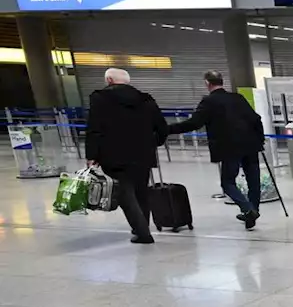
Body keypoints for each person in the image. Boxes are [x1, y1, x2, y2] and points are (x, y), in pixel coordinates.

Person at [167, 70, 265, 229]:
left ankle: (248, 210)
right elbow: (256, 119)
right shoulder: (237, 97)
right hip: (250, 144)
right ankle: (252, 212)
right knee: (253, 180)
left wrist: (167, 130)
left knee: (227, 182)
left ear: (207, 83)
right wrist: (260, 140)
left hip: (229, 147)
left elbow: (193, 124)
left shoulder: (209, 102)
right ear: (222, 81)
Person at [85, 68, 167, 243]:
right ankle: (142, 227)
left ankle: (142, 232)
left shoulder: (100, 98)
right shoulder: (146, 99)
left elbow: (94, 129)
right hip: (143, 153)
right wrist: (153, 143)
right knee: (141, 192)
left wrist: (92, 154)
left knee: (124, 194)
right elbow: (162, 127)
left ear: (109, 79)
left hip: (113, 154)